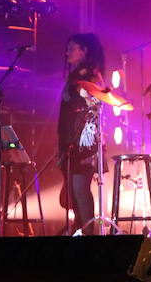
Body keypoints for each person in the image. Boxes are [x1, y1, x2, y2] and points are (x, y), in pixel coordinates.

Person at [57, 32, 105, 235]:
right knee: (73, 191)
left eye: (72, 47)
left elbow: (95, 104)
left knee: (80, 188)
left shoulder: (91, 75)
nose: (67, 51)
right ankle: (80, 228)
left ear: (84, 50)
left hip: (84, 141)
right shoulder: (75, 75)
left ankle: (88, 233)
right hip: (70, 138)